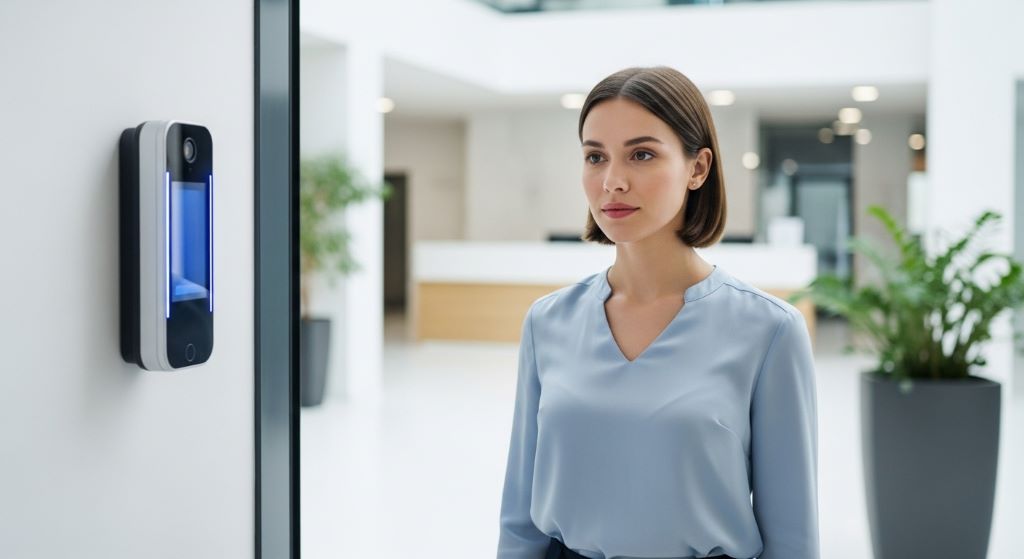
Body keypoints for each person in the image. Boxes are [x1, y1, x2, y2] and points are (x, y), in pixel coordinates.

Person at [495, 66, 819, 559]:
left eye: (641, 155)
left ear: (698, 168)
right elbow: (520, 520)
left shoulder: (769, 331)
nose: (613, 181)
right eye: (595, 157)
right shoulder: (548, 322)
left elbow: (792, 538)